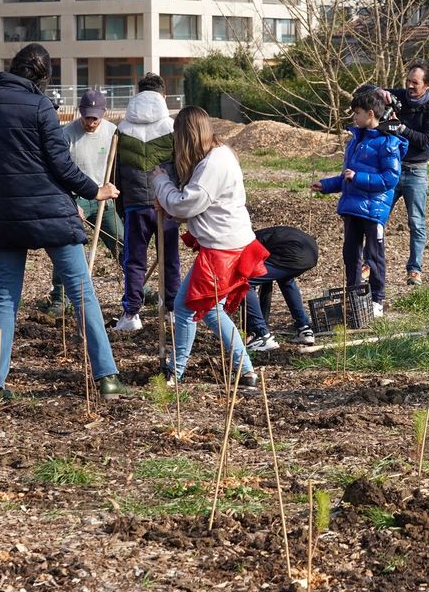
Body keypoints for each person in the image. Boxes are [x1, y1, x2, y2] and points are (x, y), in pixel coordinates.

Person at [0, 44, 129, 402]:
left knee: (5, 296)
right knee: (81, 292)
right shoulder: (41, 106)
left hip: (3, 211)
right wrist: (95, 190)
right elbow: (61, 165)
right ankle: (106, 378)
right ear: (42, 77)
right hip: (49, 210)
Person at [152, 107, 265, 388]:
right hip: (227, 243)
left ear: (187, 135)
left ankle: (175, 374)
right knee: (208, 309)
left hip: (224, 249)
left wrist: (160, 183)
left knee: (190, 307)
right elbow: (192, 206)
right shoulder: (216, 156)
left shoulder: (215, 163)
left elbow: (185, 203)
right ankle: (245, 371)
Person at [311, 86, 408, 318]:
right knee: (350, 255)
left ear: (370, 114)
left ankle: (377, 300)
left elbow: (389, 179)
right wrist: (326, 185)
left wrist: (359, 178)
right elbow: (348, 176)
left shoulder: (388, 143)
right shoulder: (356, 141)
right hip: (352, 208)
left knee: (374, 255)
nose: (354, 117)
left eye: (357, 113)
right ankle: (355, 298)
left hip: (374, 210)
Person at [46, 88, 123, 311]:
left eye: (95, 118)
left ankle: (136, 286)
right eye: (87, 117)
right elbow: (59, 172)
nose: (91, 122)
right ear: (81, 112)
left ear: (104, 113)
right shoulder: (67, 134)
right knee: (67, 245)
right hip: (76, 199)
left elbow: (118, 166)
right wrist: (70, 203)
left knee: (121, 241)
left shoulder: (113, 132)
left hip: (103, 198)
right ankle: (60, 297)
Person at [114, 72, 178, 332]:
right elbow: (180, 166)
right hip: (165, 203)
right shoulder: (171, 127)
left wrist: (121, 205)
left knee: (134, 260)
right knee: (170, 259)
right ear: (163, 95)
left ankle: (131, 314)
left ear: (137, 93)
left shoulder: (122, 127)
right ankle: (172, 311)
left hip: (135, 205)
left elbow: (115, 171)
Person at [377, 60, 429, 285]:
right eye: (408, 81)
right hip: (391, 168)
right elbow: (364, 92)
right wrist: (380, 92)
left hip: (416, 172)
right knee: (377, 217)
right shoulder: (400, 97)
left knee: (416, 222)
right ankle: (370, 264)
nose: (409, 86)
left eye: (415, 83)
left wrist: (401, 128)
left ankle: (414, 269)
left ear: (427, 85)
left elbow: (426, 142)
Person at [243, 226, 319, 351]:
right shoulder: (261, 236)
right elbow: (266, 284)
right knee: (285, 279)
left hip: (294, 253)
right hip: (310, 251)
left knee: (244, 283)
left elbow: (262, 282)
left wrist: (254, 328)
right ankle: (305, 329)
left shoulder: (249, 243)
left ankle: (261, 335)